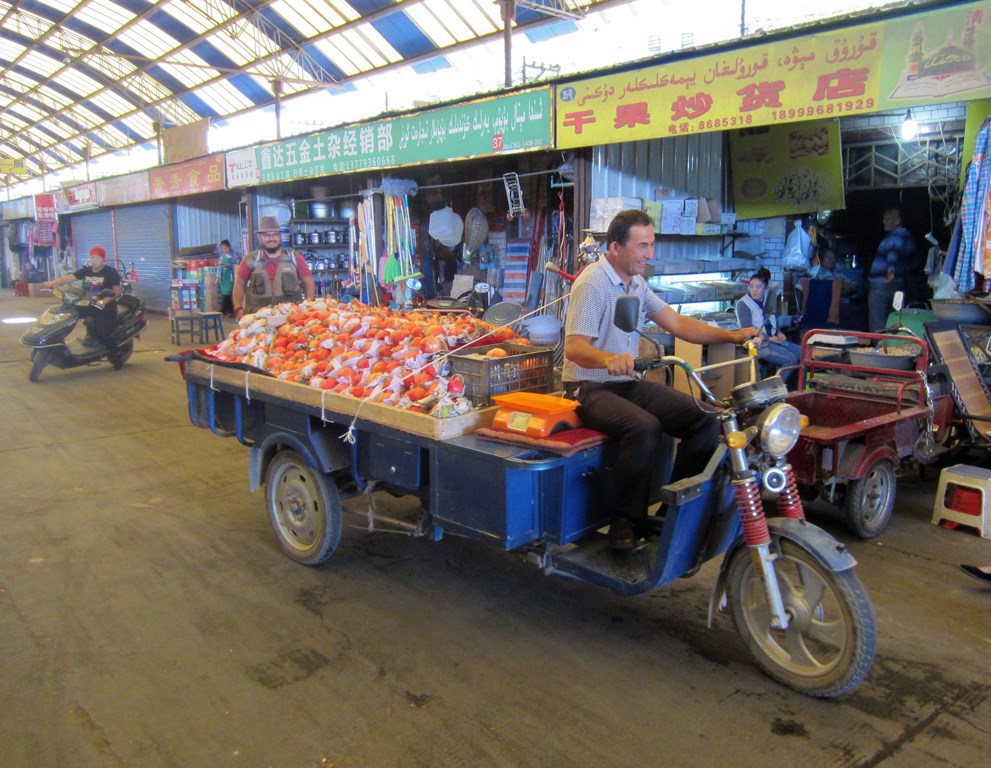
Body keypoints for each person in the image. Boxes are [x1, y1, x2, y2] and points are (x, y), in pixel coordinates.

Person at [563, 209, 757, 549]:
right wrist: (608, 358)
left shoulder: (637, 284)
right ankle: (626, 523)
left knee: (704, 417)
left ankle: (675, 514)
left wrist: (734, 335)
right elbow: (575, 348)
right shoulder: (592, 282)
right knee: (644, 426)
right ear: (615, 247)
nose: (649, 254)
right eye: (642, 246)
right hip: (587, 387)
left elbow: (679, 324)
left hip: (625, 384)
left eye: (651, 245)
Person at [232, 216, 315, 320]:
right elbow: (239, 284)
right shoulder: (250, 260)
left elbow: (309, 281)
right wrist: (238, 308)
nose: (271, 238)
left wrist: (308, 308)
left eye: (275, 234)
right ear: (259, 237)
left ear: (280, 236)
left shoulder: (294, 258)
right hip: (258, 319)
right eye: (266, 235)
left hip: (290, 318)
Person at [43, 246, 122, 347]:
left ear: (103, 259)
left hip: (105, 306)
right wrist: (52, 283)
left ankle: (112, 349)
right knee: (66, 314)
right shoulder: (86, 271)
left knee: (104, 334)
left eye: (97, 258)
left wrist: (104, 301)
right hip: (88, 303)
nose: (94, 261)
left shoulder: (110, 272)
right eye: (92, 258)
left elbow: (117, 292)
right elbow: (68, 278)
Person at [736, 268, 802, 387]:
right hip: (759, 344)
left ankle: (793, 388)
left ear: (765, 288)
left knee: (803, 353)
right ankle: (772, 390)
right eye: (751, 286)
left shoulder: (768, 299)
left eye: (758, 287)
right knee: (791, 359)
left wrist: (779, 332)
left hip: (774, 340)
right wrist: (769, 339)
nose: (754, 290)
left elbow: (773, 318)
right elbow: (747, 330)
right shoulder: (743, 304)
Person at [868, 207, 914, 332]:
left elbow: (892, 252)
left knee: (878, 319)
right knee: (895, 319)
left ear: (897, 220)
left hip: (883, 283)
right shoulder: (908, 238)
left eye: (887, 219)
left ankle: (880, 347)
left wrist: (891, 272)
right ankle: (894, 346)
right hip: (898, 284)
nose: (884, 222)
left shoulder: (894, 237)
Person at [217, 239, 236, 317]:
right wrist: (217, 277)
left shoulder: (235, 255)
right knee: (225, 294)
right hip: (223, 278)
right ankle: (230, 311)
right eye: (222, 249)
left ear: (229, 247)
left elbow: (238, 265)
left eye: (225, 248)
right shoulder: (222, 256)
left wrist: (229, 266)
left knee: (227, 294)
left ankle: (223, 311)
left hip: (231, 277)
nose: (224, 250)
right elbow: (219, 267)